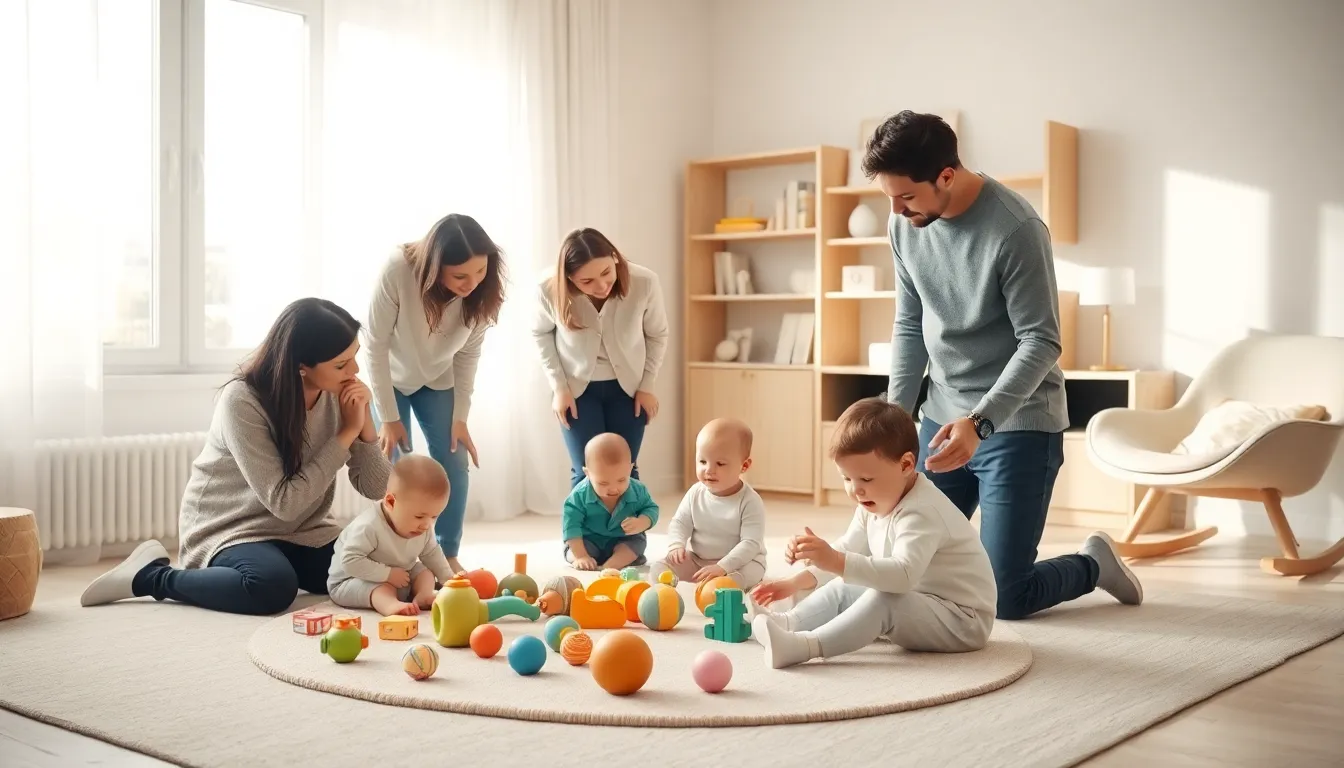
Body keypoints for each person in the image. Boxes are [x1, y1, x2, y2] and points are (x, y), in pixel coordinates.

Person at [860, 110, 1142, 620]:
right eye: (890, 198)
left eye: (906, 196)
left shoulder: (1015, 228)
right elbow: (909, 324)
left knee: (1006, 598)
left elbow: (1042, 341)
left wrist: (981, 423)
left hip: (1016, 421)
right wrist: (895, 419)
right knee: (905, 563)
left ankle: (1093, 564)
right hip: (939, 416)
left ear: (946, 175)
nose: (898, 210)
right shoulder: (905, 225)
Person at [79, 298, 393, 616]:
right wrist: (344, 435)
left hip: (303, 532)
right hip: (233, 528)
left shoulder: (344, 394)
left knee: (381, 561)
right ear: (301, 365)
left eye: (354, 357)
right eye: (341, 364)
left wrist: (364, 428)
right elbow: (285, 504)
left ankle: (280, 566)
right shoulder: (243, 401)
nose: (354, 371)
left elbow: (377, 489)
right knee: (271, 587)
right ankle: (151, 577)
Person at [746, 398, 998, 669]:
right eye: (846, 479)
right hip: (924, 601)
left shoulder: (922, 512)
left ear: (905, 465)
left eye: (865, 479)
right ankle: (786, 623)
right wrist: (798, 581)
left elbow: (902, 576)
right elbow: (849, 550)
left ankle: (804, 646)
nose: (856, 490)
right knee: (848, 582)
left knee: (883, 597)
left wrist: (835, 560)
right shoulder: (876, 500)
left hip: (962, 620)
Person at [364, 213, 506, 573]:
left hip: (438, 381)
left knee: (456, 459)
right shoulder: (398, 270)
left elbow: (468, 356)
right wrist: (390, 416)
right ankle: (399, 554)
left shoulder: (480, 293)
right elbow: (375, 345)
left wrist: (461, 419)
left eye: (480, 272)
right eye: (460, 276)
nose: (472, 283)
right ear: (434, 267)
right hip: (392, 380)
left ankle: (447, 553)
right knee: (397, 468)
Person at [532, 227, 669, 487]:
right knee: (586, 473)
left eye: (607, 272)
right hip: (577, 392)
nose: (602, 286)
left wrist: (647, 386)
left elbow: (658, 334)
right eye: (586, 282)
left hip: (628, 390)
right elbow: (540, 334)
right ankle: (579, 530)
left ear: (614, 257)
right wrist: (559, 388)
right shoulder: (548, 289)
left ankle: (631, 529)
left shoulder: (645, 282)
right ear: (569, 278)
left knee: (624, 472)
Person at [327, 454, 456, 617]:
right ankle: (390, 605)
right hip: (352, 582)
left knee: (425, 572)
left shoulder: (422, 527)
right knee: (382, 588)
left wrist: (449, 580)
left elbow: (431, 553)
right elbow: (350, 561)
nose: (427, 524)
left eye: (434, 516)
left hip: (400, 576)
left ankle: (424, 595)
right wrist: (387, 574)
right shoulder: (369, 526)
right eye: (419, 516)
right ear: (390, 502)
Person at [648, 417, 767, 590]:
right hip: (699, 560)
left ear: (744, 465)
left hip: (741, 563)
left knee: (744, 576)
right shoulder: (695, 493)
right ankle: (676, 586)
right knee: (658, 568)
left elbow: (750, 544)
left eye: (720, 463)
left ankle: (721, 585)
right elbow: (680, 522)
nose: (709, 470)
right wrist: (677, 545)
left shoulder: (750, 501)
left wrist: (722, 567)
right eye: (703, 461)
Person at [561, 432, 659, 571]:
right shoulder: (578, 496)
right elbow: (571, 527)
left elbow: (651, 508)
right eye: (603, 483)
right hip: (589, 540)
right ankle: (583, 557)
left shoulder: (638, 490)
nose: (613, 489)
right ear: (587, 473)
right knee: (574, 550)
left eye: (621, 480)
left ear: (630, 469)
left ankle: (611, 565)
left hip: (622, 539)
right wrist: (581, 556)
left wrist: (642, 522)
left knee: (637, 542)